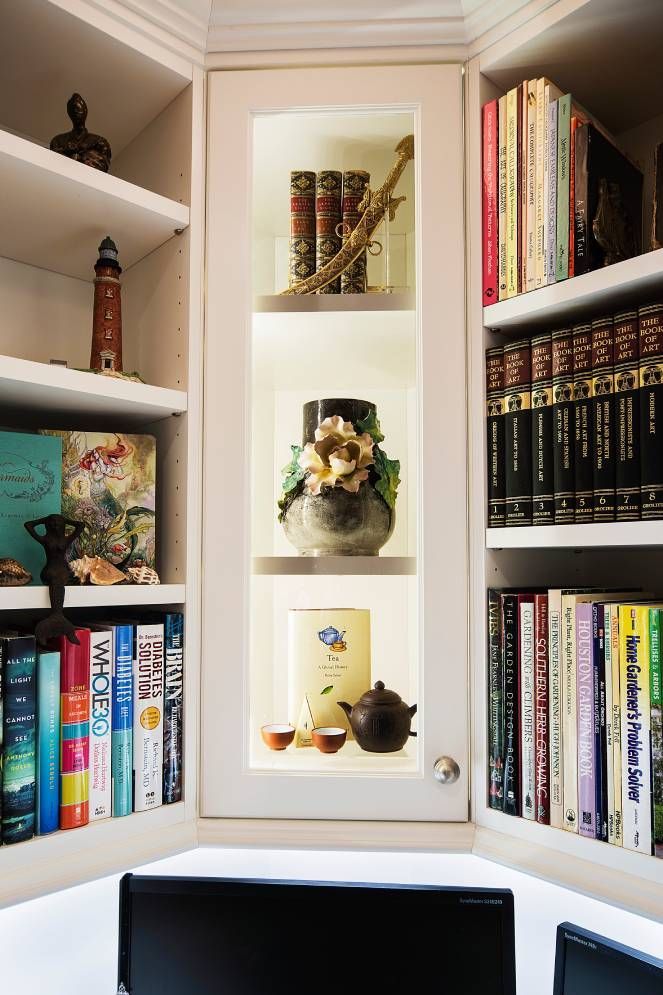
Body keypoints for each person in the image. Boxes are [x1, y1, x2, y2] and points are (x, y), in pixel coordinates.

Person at [50, 93, 112, 172]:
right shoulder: (58, 140)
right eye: (73, 110)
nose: (76, 112)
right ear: (69, 113)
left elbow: (103, 165)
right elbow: (55, 161)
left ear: (85, 111)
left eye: (79, 109)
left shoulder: (100, 141)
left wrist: (73, 156)